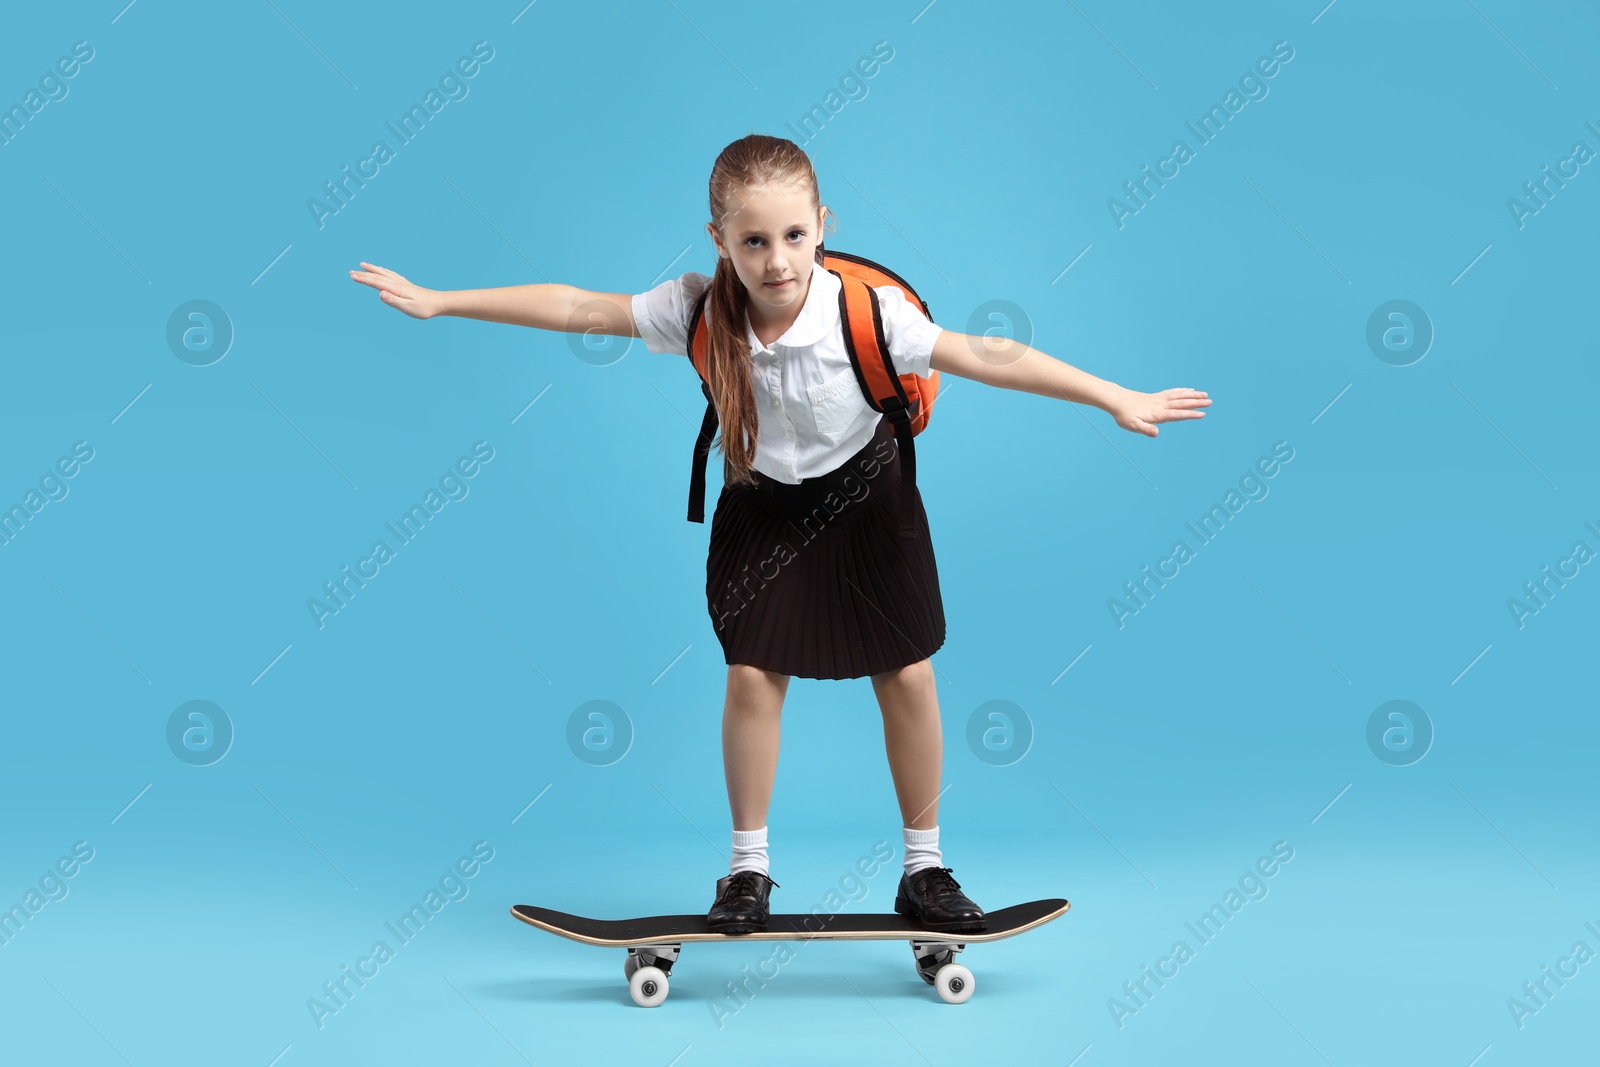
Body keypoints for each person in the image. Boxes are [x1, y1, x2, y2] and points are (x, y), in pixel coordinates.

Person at [349, 133, 1210, 936]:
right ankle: (747, 873)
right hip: (761, 503)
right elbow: (579, 305)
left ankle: (924, 869)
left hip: (870, 497)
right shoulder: (694, 310)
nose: (777, 259)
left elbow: (988, 354)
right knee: (754, 675)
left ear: (823, 227)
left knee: (906, 673)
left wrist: (1111, 394)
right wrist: (443, 301)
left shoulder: (867, 316)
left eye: (795, 235)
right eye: (753, 240)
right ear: (718, 237)